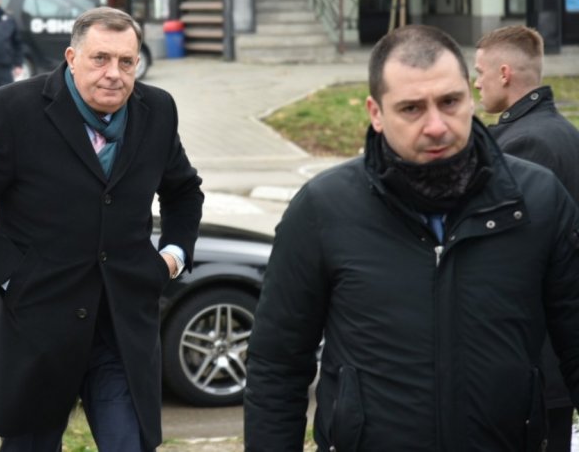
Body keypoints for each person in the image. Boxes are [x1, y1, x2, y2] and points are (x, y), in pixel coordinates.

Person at [244, 24, 579, 451]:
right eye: (411, 108)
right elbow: (276, 366)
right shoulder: (323, 209)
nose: (436, 125)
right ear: (376, 113)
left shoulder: (538, 199)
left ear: (470, 96)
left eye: (450, 101)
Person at [0, 7, 203, 451]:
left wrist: (171, 257)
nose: (114, 73)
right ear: (72, 58)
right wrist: (14, 277)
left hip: (120, 327)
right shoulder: (13, 109)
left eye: (126, 62)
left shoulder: (157, 109)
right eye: (100, 59)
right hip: (38, 327)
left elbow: (184, 191)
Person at [475, 24, 579, 452]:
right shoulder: (563, 132)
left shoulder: (525, 144)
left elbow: (510, 261)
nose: (476, 83)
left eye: (479, 72)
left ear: (504, 73)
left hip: (537, 364)